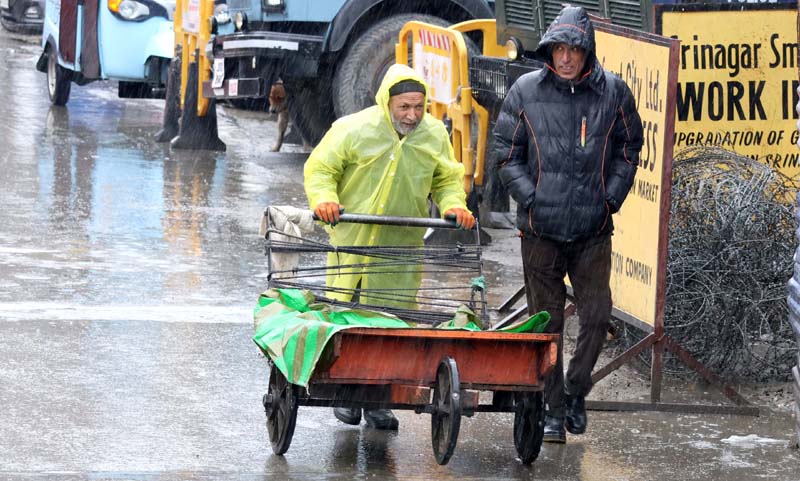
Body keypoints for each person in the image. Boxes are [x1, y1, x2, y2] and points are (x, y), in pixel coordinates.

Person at [494, 5, 643, 443]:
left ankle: (577, 390)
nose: (565, 58)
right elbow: (505, 153)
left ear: (587, 52)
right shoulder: (525, 90)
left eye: (573, 50)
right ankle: (553, 411)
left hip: (592, 230)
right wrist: (533, 198)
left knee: (597, 315)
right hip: (540, 230)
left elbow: (630, 148)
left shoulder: (614, 92)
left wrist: (610, 198)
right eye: (559, 49)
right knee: (547, 325)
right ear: (549, 50)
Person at [304, 63, 475, 430]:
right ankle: (348, 394)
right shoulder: (353, 129)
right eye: (404, 107)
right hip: (353, 245)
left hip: (401, 250)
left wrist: (452, 205)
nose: (412, 115)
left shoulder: (432, 135)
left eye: (418, 106)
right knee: (348, 321)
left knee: (390, 323)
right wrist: (324, 199)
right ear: (387, 103)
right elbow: (321, 169)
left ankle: (380, 402)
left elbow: (446, 179)